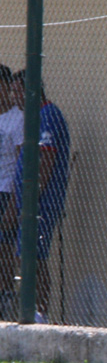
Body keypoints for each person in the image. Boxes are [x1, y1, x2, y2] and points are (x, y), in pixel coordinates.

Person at [9, 71, 70, 323]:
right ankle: (32, 312)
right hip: (28, 203)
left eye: (16, 90)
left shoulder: (49, 115)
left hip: (42, 203)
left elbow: (46, 161)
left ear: (28, 90)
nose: (13, 96)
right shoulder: (34, 118)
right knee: (26, 256)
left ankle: (40, 315)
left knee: (34, 257)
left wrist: (31, 202)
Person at [0, 65, 23, 318]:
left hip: (5, 192)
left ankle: (6, 300)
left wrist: (13, 203)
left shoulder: (17, 118)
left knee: (5, 251)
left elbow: (21, 162)